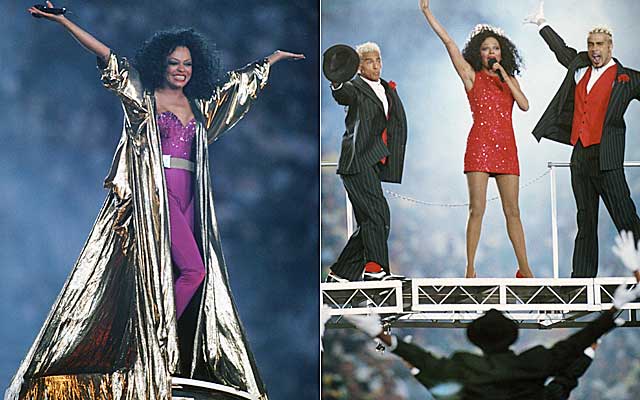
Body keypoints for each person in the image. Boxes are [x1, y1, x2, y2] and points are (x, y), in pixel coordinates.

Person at [7, 3, 303, 400]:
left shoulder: (199, 107)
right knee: (192, 272)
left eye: (188, 63)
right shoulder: (142, 99)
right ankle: (147, 348)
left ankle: (162, 348)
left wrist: (271, 60)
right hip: (156, 196)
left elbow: (239, 87)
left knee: (192, 275)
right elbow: (107, 56)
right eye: (174, 62)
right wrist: (63, 22)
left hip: (190, 197)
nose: (181, 69)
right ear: (160, 64)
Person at [341, 230, 640, 399]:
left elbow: (428, 365)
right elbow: (572, 349)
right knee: (558, 389)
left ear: (478, 340)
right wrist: (611, 313)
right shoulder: (531, 363)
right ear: (512, 335)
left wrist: (384, 338)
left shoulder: (465, 368)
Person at [525, 0, 640, 278]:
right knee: (585, 221)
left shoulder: (628, 78)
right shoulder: (579, 67)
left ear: (610, 47)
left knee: (625, 217)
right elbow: (560, 50)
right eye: (591, 44)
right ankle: (582, 281)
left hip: (608, 157)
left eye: (599, 44)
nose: (594, 49)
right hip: (580, 155)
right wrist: (542, 23)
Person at [419, 0, 534, 279]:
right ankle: (470, 269)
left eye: (495, 48)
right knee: (477, 209)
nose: (491, 52)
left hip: (506, 147)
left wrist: (504, 75)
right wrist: (427, 12)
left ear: (502, 52)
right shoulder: (470, 76)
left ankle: (525, 269)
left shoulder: (510, 79)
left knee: (513, 211)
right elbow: (449, 44)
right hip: (480, 146)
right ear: (478, 53)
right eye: (485, 49)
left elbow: (525, 105)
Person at [325, 41, 408, 282]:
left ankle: (341, 274)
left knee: (373, 218)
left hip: (374, 161)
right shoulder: (355, 87)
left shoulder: (386, 88)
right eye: (369, 61)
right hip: (357, 160)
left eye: (378, 60)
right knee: (376, 215)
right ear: (358, 66)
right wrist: (337, 80)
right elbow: (342, 94)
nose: (375, 65)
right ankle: (375, 270)